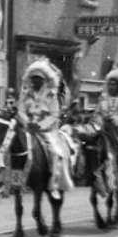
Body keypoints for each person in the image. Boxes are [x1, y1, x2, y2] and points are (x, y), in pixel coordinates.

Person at [17, 58, 75, 196]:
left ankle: (54, 183)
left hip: (47, 130)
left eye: (39, 79)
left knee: (55, 152)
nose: (36, 81)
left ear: (45, 80)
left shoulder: (51, 94)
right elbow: (20, 111)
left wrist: (40, 126)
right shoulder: (25, 93)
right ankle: (15, 182)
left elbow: (54, 115)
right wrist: (27, 123)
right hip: (28, 128)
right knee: (12, 146)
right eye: (34, 78)